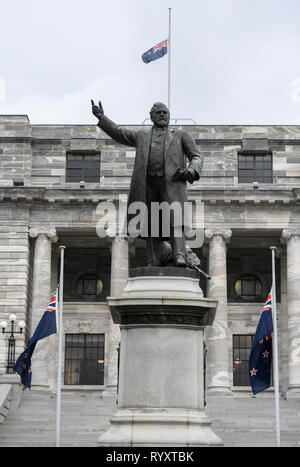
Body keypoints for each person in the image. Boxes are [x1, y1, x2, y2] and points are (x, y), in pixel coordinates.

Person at [91, 100, 203, 267]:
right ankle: (154, 259)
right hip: (147, 184)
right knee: (151, 222)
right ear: (151, 117)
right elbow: (119, 133)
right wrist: (102, 117)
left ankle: (179, 255)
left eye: (165, 112)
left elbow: (196, 156)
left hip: (172, 184)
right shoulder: (142, 136)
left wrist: (192, 170)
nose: (162, 115)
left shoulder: (181, 136)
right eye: (158, 112)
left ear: (169, 116)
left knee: (175, 219)